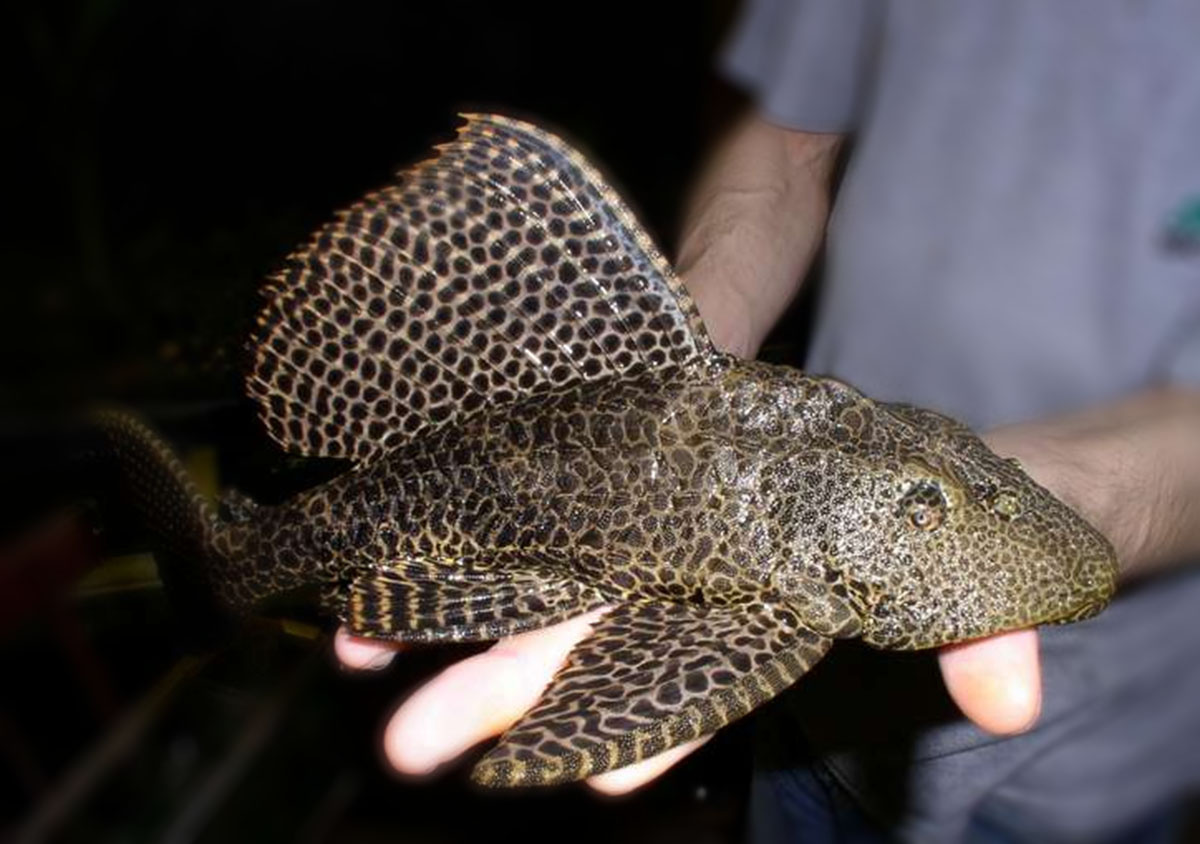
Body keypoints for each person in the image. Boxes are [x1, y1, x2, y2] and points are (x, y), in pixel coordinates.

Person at [337, 2, 1200, 840]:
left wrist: (1051, 493)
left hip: (1091, 757)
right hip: (797, 719)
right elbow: (787, 138)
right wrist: (668, 388)